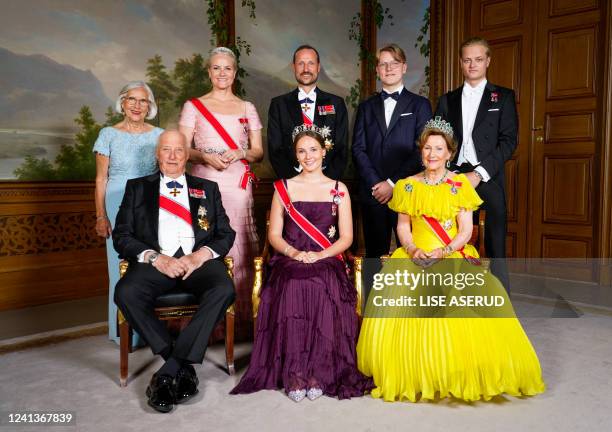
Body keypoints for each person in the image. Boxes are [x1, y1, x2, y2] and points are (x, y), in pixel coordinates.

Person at [356, 118, 545, 402]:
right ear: (421, 151)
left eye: (439, 148)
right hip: (415, 256)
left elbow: (466, 231)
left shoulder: (460, 185)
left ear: (449, 153)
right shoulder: (407, 186)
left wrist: (444, 252)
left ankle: (458, 371)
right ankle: (418, 371)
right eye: (427, 148)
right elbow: (403, 227)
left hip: (451, 253)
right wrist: (412, 249)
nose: (432, 154)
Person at [231, 126, 373, 402]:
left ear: (324, 151)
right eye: (301, 151)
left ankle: (318, 372)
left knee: (320, 283)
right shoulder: (283, 188)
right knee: (295, 282)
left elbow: (347, 237)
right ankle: (296, 373)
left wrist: (321, 255)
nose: (308, 156)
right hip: (290, 258)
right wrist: (294, 253)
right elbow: (273, 235)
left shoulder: (338, 189)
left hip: (328, 258)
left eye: (313, 150)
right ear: (295, 155)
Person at [113, 130, 236, 413]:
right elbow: (122, 235)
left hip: (198, 263)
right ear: (157, 154)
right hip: (156, 263)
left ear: (187, 155)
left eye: (178, 150)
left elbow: (225, 234)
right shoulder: (137, 188)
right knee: (126, 292)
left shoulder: (207, 188)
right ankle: (178, 364)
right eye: (166, 150)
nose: (171, 156)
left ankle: (168, 369)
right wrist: (155, 258)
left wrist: (199, 256)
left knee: (225, 288)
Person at [179, 47, 263, 340]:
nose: (222, 73)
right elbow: (182, 149)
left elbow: (258, 152)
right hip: (204, 182)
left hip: (238, 183)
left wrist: (239, 151)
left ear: (235, 72)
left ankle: (241, 321)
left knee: (239, 244)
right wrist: (203, 156)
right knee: (206, 241)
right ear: (209, 72)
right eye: (216, 68)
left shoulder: (247, 107)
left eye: (227, 68)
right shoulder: (194, 106)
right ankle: (209, 324)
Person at [435, 36, 516, 290]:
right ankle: (449, 302)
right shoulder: (447, 100)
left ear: (488, 61)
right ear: (460, 63)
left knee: (496, 249)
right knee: (446, 240)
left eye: (478, 59)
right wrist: (447, 172)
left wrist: (479, 173)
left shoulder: (503, 97)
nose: (472, 65)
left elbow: (509, 141)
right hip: (454, 177)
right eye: (467, 60)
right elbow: (438, 140)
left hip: (488, 176)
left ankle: (500, 310)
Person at [93, 81, 163, 345]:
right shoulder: (107, 134)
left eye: (143, 101)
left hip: (149, 205)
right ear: (122, 102)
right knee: (119, 268)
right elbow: (100, 179)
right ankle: (123, 333)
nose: (136, 105)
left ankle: (149, 332)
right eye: (131, 99)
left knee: (148, 265)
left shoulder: (159, 135)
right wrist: (101, 215)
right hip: (115, 203)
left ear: (150, 106)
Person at [352, 43, 432, 259]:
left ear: (404, 67)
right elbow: (358, 148)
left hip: (407, 190)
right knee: (374, 256)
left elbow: (422, 149)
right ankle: (373, 295)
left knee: (410, 255)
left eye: (394, 63)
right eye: (383, 64)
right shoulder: (366, 107)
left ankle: (407, 295)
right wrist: (377, 184)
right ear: (377, 70)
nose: (389, 68)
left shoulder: (420, 105)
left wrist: (391, 183)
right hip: (373, 193)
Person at [268, 44, 348, 180]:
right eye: (301, 63)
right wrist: (295, 182)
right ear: (294, 67)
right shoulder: (278, 105)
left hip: (327, 183)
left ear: (318, 67)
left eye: (311, 63)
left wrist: (325, 181)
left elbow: (341, 148)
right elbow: (275, 150)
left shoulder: (336, 104)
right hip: (292, 183)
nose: (306, 69)